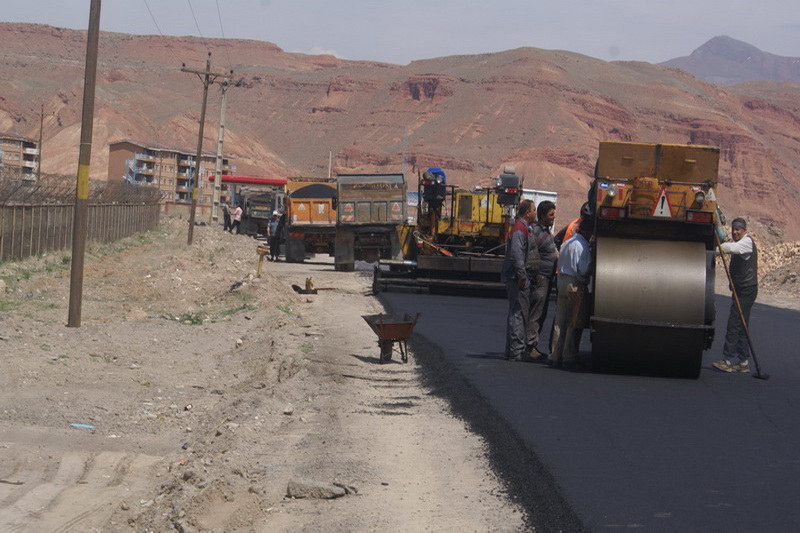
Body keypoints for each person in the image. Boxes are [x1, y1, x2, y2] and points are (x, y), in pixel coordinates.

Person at [713, 217, 758, 373]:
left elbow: (729, 249)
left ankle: (727, 359)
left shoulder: (746, 243)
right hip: (741, 289)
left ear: (744, 230)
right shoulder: (740, 243)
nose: (735, 232)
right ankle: (743, 362)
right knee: (742, 324)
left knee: (734, 322)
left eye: (738, 229)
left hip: (747, 289)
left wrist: (715, 249)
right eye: (734, 229)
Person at [549, 218, 592, 370]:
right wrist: (585, 281)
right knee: (573, 323)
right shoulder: (583, 247)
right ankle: (569, 357)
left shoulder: (566, 244)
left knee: (559, 321)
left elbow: (559, 265)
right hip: (574, 285)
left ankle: (555, 355)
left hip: (562, 282)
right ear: (587, 232)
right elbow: (583, 270)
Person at [501, 199, 536, 362]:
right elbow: (516, 255)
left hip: (515, 275)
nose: (535, 213)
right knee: (517, 313)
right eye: (534, 210)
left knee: (516, 311)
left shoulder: (522, 228)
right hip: (516, 277)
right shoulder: (519, 229)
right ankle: (516, 350)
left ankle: (511, 350)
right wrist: (522, 275)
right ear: (527, 213)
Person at [526, 200, 558, 359]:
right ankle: (529, 346)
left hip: (546, 278)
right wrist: (535, 275)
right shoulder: (536, 232)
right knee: (536, 313)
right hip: (540, 279)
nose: (554, 217)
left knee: (542, 312)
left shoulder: (546, 231)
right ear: (543, 216)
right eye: (551, 214)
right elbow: (531, 254)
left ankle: (533, 345)